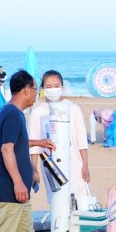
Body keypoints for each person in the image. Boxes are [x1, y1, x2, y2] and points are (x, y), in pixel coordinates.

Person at [0, 70, 56, 232]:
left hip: (18, 188)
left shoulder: (8, 112)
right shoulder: (12, 113)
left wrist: (38, 142)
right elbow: (6, 148)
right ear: (27, 90)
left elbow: (15, 141)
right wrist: (19, 182)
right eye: (37, 90)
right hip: (10, 188)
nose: (37, 95)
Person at [27, 70, 91, 203]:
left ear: (62, 86)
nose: (53, 89)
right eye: (48, 86)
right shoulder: (37, 112)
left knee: (78, 200)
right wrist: (34, 169)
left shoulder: (73, 108)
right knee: (58, 201)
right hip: (50, 165)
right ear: (43, 88)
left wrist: (85, 164)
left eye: (56, 86)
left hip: (74, 163)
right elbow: (34, 146)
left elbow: (81, 140)